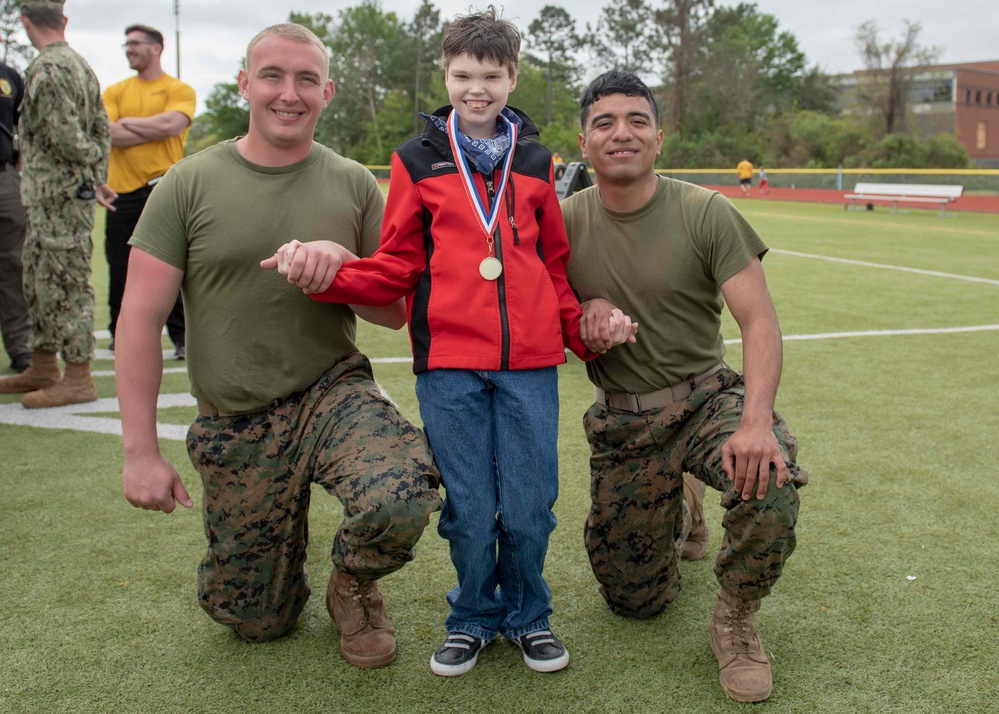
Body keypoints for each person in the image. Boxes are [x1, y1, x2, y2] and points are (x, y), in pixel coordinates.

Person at [261, 7, 637, 678]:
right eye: (464, 74)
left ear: (512, 76)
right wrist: (326, 275)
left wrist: (586, 337)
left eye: (491, 75)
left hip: (528, 366)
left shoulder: (535, 160)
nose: (476, 89)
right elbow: (398, 263)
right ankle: (469, 616)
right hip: (447, 367)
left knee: (526, 507)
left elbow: (552, 267)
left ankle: (527, 617)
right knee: (467, 511)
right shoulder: (416, 160)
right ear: (446, 72)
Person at [115, 23, 441, 670]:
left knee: (401, 491)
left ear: (327, 91)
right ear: (244, 84)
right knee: (256, 620)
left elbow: (395, 311)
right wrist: (140, 453)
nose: (287, 94)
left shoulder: (353, 184)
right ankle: (268, 570)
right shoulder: (187, 183)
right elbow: (139, 318)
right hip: (235, 417)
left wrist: (344, 264)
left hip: (330, 391)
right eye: (272, 76)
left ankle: (352, 586)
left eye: (304, 80)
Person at [561, 70, 807, 703]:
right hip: (623, 421)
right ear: (583, 143)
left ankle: (736, 621)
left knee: (771, 475)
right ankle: (684, 503)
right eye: (605, 123)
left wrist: (755, 421)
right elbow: (542, 320)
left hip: (704, 401)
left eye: (637, 121)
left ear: (660, 138)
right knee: (636, 602)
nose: (622, 133)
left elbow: (759, 322)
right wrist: (583, 312)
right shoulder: (559, 223)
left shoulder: (705, 211)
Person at [0, 0, 110, 408]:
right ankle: (44, 365)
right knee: (38, 279)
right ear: (62, 21)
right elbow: (102, 127)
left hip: (57, 197)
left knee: (67, 285)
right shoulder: (81, 65)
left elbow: (68, 137)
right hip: (53, 197)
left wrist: (86, 166)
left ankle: (78, 376)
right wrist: (96, 172)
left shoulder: (46, 69)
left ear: (26, 22)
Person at [97, 24, 194, 359]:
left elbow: (173, 126)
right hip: (122, 193)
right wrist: (152, 128)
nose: (129, 49)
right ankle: (117, 334)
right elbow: (108, 133)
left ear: (157, 48)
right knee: (119, 266)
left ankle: (182, 338)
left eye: (135, 44)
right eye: (126, 44)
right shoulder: (113, 91)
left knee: (176, 265)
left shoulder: (178, 88)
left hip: (163, 189)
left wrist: (128, 124)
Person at [0, 48, 31, 374]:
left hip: (4, 178)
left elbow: (25, 128)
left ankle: (20, 347)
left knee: (13, 264)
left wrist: (16, 172)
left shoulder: (9, 77)